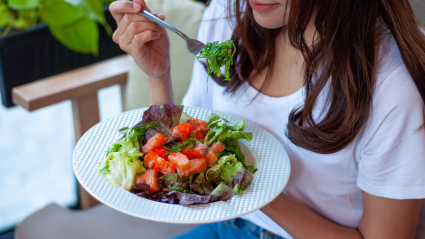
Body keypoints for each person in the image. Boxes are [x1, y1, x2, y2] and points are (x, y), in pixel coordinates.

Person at [109, 0, 425, 238]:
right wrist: (158, 76)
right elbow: (186, 142)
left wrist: (250, 186)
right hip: (227, 226)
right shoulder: (226, 14)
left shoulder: (389, 90)